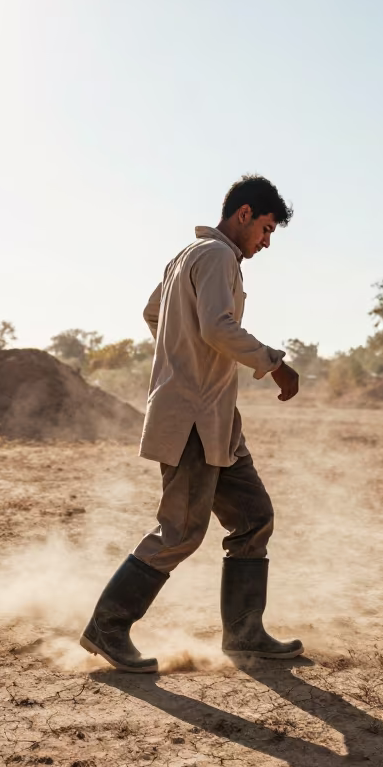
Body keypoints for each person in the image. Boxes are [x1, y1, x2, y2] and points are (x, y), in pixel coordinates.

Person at [80, 173, 302, 672]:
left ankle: (244, 635)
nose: (266, 242)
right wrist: (274, 363)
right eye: (266, 229)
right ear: (244, 214)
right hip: (193, 420)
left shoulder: (189, 255)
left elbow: (153, 312)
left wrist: (184, 354)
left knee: (253, 516)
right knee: (180, 531)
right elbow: (218, 328)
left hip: (218, 420)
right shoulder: (218, 255)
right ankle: (107, 627)